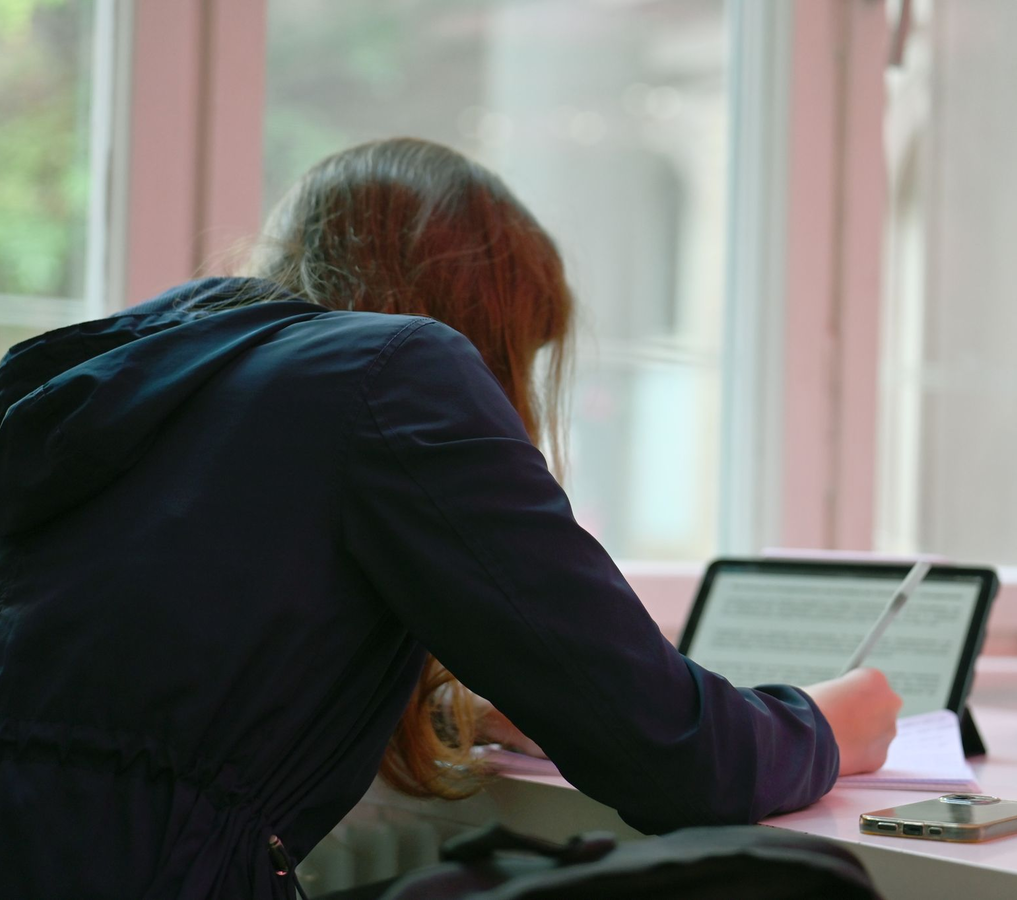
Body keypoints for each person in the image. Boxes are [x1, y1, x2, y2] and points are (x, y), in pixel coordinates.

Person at [0, 138, 900, 899]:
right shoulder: (396, 369)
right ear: (489, 326)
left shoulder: (137, 373)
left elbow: (174, 652)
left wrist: (463, 703)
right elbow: (680, 762)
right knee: (796, 880)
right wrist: (823, 726)